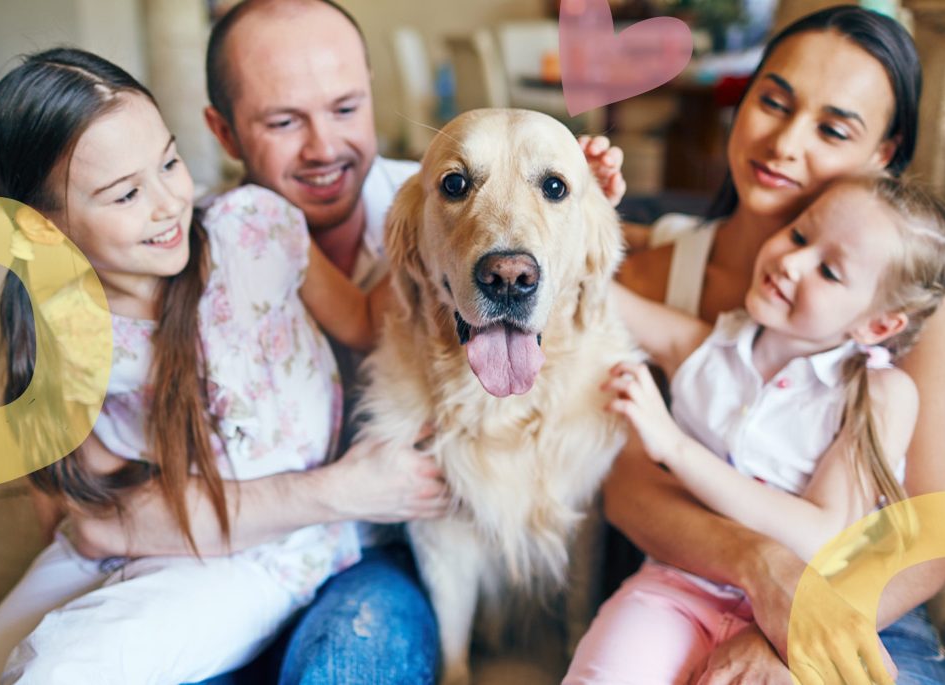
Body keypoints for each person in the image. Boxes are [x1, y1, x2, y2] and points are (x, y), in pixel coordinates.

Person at [63, 1, 627, 683]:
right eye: (282, 120)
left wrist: (574, 204)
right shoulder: (173, 249)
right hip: (214, 557)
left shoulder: (416, 198)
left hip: (365, 565)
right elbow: (84, 516)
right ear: (223, 131)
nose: (324, 146)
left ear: (372, 96)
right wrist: (339, 491)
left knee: (344, 665)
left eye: (345, 108)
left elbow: (611, 294)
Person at [0, 47, 448, 684]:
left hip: (271, 549)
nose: (167, 204)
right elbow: (94, 516)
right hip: (136, 539)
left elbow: (365, 319)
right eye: (127, 193)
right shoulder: (60, 330)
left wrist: (442, 223)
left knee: (63, 668)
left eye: (169, 162)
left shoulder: (256, 226)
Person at [606, 6, 945, 684]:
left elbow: (927, 539)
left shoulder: (913, 298)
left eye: (833, 128)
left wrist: (789, 632)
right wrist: (760, 569)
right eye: (773, 102)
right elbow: (629, 488)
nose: (784, 142)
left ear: (882, 153)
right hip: (690, 587)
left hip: (867, 606)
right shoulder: (660, 274)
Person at [564, 175, 945, 684]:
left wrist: (674, 447)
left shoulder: (880, 394)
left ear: (877, 326)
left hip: (797, 621)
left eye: (829, 271)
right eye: (798, 235)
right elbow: (592, 294)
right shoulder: (705, 348)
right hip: (675, 589)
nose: (792, 263)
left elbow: (819, 536)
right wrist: (582, 194)